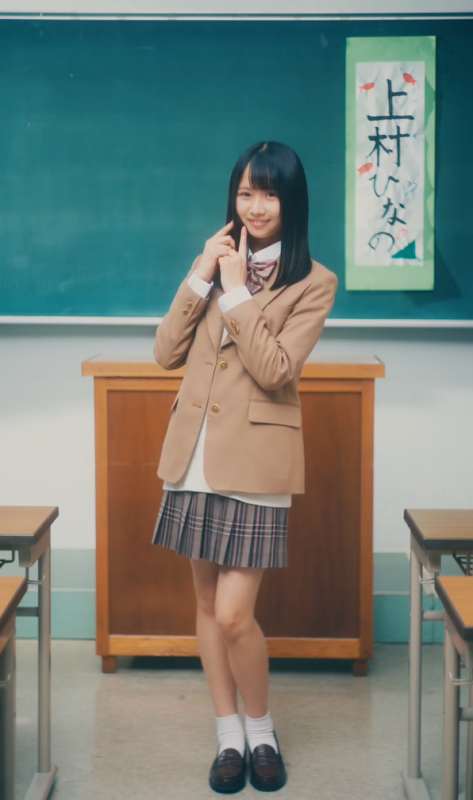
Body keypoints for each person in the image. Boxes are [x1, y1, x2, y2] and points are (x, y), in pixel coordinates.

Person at [152, 141, 337, 794]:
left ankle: (261, 729)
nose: (255, 207)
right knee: (206, 604)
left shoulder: (314, 282)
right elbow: (164, 353)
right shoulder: (216, 262)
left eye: (270, 194)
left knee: (234, 614)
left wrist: (235, 294)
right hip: (195, 454)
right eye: (245, 193)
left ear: (292, 202)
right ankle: (227, 733)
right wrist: (202, 274)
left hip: (256, 459)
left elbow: (276, 369)